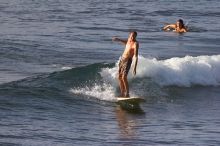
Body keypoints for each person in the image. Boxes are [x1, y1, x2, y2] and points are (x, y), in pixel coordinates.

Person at [112, 31, 139, 97]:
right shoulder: (128, 41)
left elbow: (136, 56)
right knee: (120, 77)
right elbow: (125, 42)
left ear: (136, 36)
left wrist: (135, 68)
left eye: (134, 36)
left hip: (128, 61)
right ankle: (122, 92)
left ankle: (127, 93)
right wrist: (118, 39)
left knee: (124, 77)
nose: (132, 37)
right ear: (129, 36)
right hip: (122, 60)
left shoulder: (135, 44)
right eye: (131, 36)